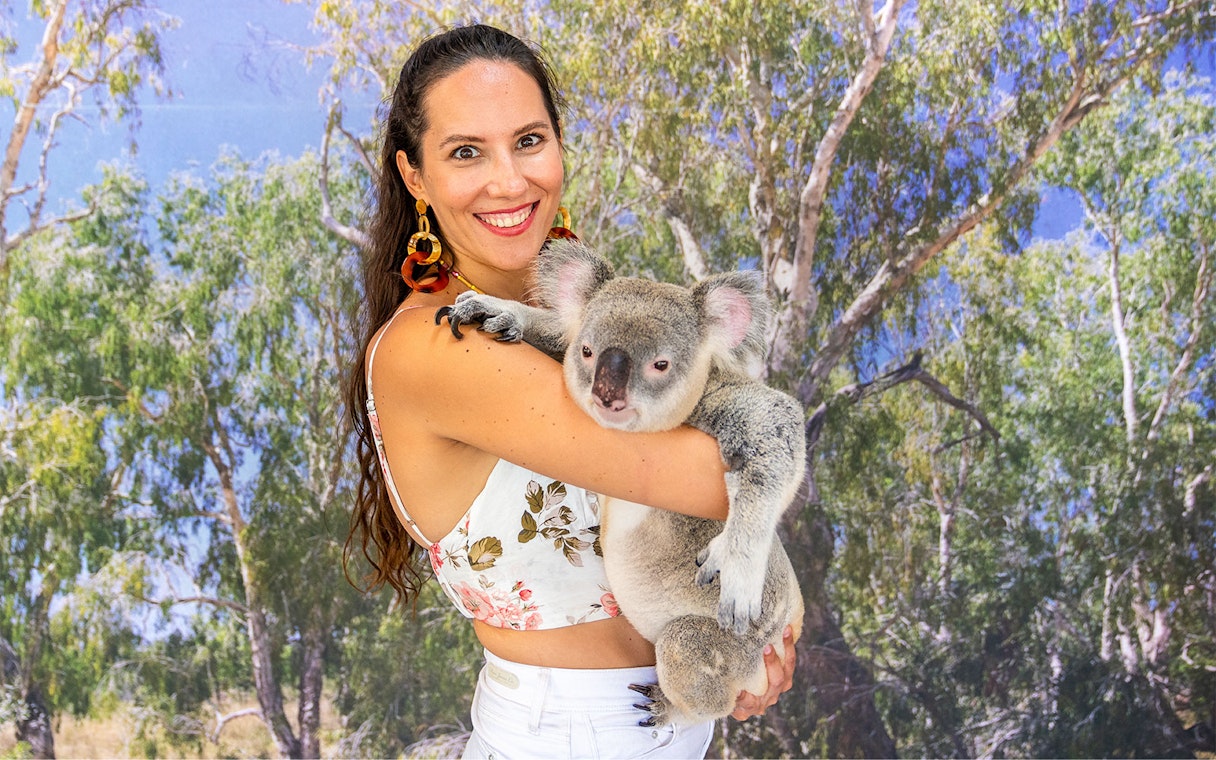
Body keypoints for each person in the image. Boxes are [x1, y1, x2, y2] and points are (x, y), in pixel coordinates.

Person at [343, 23, 797, 759]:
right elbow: (706, 475)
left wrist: (757, 637)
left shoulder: (586, 322)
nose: (510, 180)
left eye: (528, 141)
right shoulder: (435, 351)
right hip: (570, 735)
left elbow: (735, 497)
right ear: (415, 176)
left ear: (559, 147)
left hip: (673, 718)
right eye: (466, 152)